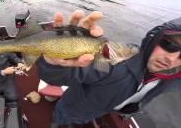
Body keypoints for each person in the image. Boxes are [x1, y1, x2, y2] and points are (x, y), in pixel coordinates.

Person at [36, 10, 181, 125]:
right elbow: (65, 74)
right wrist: (54, 64)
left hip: (101, 110)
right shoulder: (115, 61)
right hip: (71, 109)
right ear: (154, 38)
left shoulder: (174, 78)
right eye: (169, 44)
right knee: (60, 119)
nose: (171, 59)